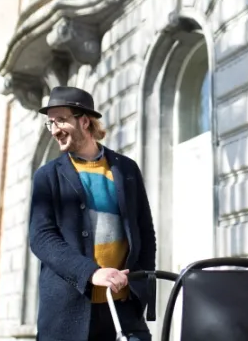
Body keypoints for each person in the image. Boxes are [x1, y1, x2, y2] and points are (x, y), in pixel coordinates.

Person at [29, 86, 156, 341]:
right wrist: (91, 273)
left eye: (61, 120)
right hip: (66, 315)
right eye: (50, 122)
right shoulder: (47, 176)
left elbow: (145, 233)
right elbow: (42, 238)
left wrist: (141, 285)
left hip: (124, 309)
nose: (54, 130)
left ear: (85, 121)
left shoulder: (127, 169)